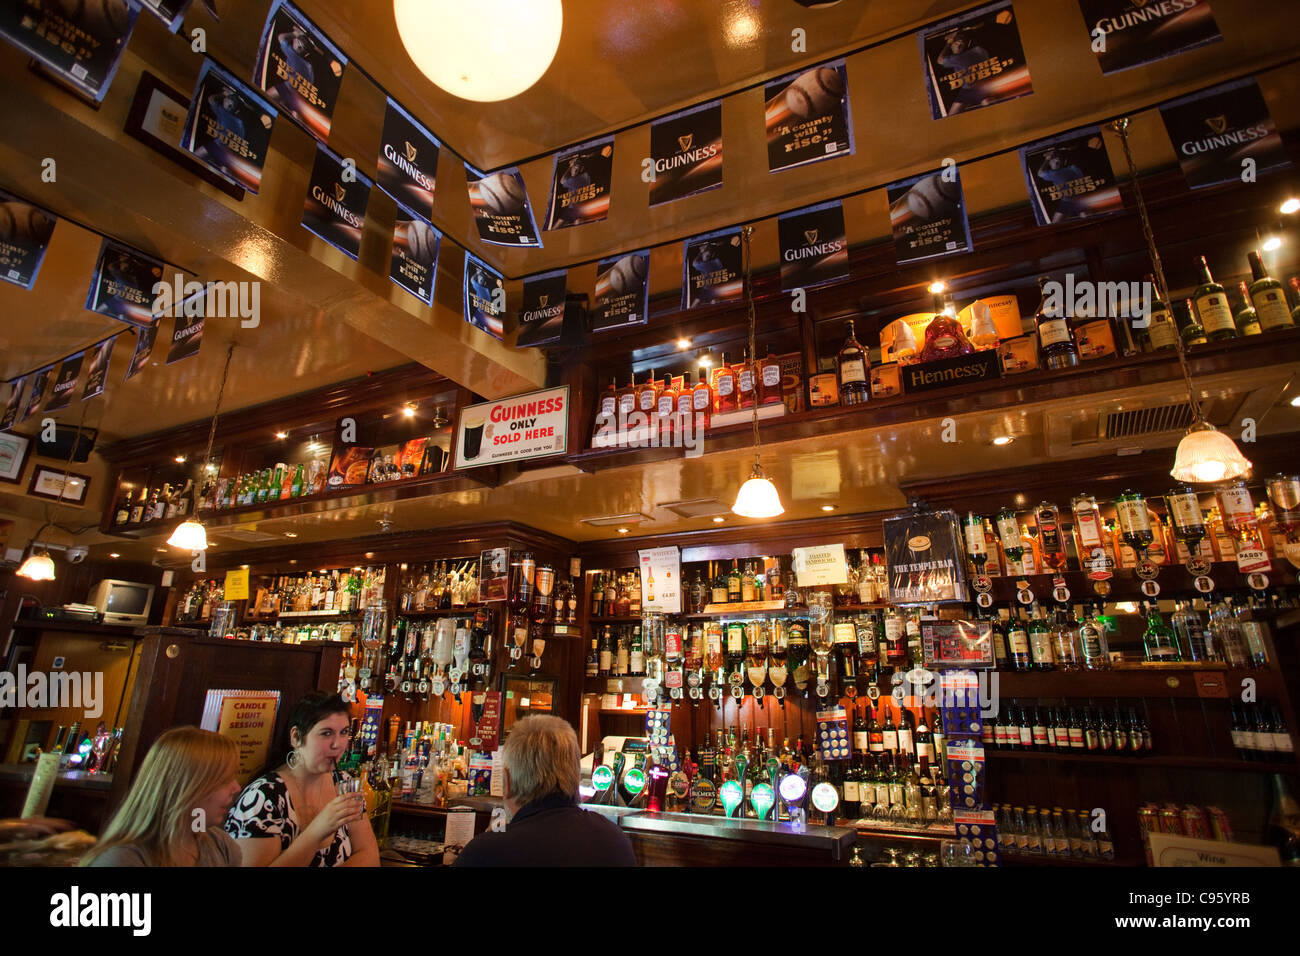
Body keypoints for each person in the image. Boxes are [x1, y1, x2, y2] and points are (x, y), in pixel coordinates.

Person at [452, 716, 636, 867]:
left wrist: (491, 839)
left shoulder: (486, 852)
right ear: (574, 774)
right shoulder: (615, 841)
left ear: (507, 782)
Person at [226, 692, 378, 867]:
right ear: (296, 737)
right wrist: (318, 830)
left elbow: (369, 855)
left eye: (344, 732)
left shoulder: (345, 783)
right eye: (326, 733)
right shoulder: (263, 796)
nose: (338, 744)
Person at [81, 726, 243, 866]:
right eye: (225, 780)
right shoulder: (124, 860)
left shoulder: (221, 845)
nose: (236, 787)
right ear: (188, 787)